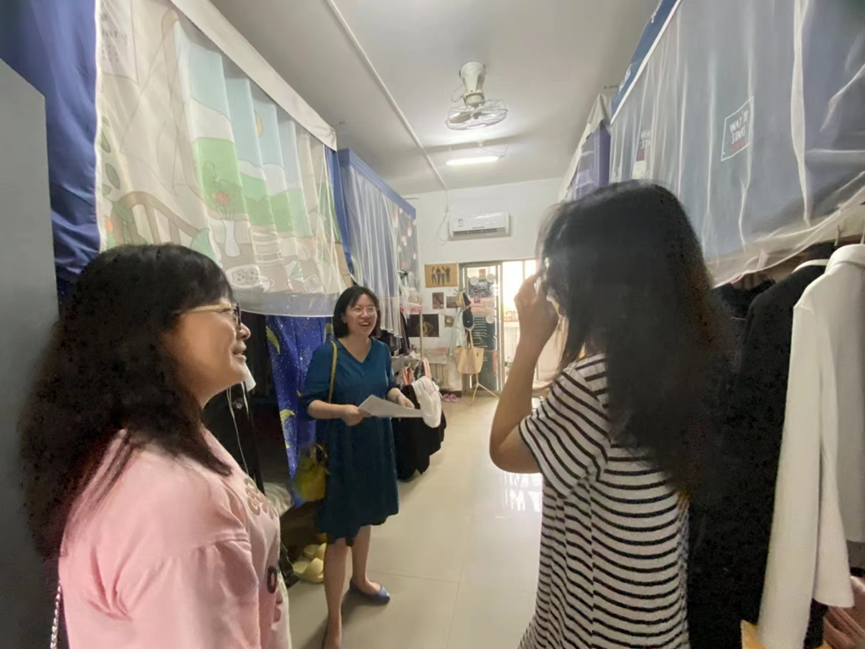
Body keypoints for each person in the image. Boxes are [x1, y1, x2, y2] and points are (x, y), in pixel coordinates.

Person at [489, 182, 729, 648]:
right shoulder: (695, 361)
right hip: (655, 624)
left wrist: (529, 342)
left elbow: (504, 448)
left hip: (590, 631)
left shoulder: (598, 385)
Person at [19, 245, 289, 648]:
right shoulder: (179, 501)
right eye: (226, 310)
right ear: (154, 331)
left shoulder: (143, 444)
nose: (243, 328)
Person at [300, 286, 413, 649]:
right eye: (357, 309)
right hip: (342, 454)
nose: (366, 315)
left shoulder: (380, 351)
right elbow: (309, 404)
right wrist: (342, 412)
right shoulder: (328, 353)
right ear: (343, 316)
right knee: (338, 536)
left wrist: (397, 396)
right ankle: (334, 622)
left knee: (365, 519)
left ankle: (360, 580)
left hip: (375, 448)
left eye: (371, 309)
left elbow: (388, 385)